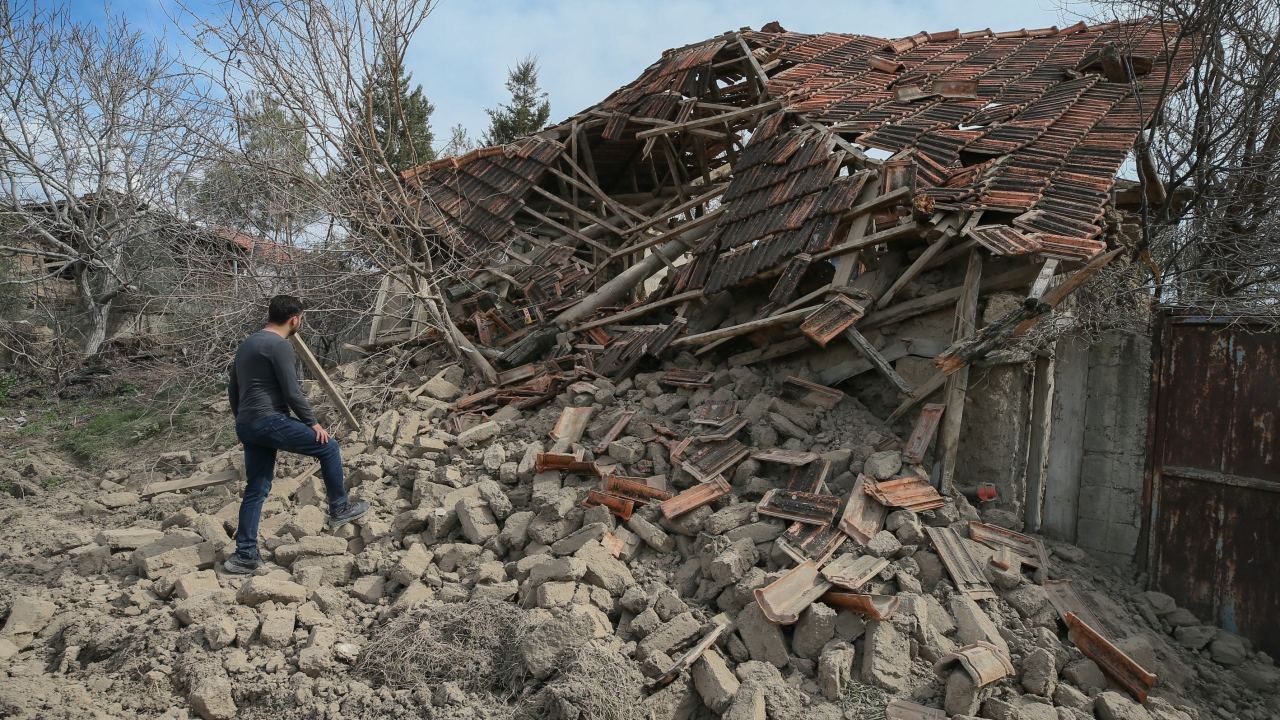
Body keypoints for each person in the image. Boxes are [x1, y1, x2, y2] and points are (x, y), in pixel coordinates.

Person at [224, 295, 369, 573]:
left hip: (248, 424)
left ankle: (244, 555)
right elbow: (292, 392)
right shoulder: (279, 345)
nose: (300, 322)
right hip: (270, 420)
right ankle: (340, 508)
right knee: (328, 447)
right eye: (301, 319)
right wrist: (313, 423)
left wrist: (241, 423)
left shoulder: (247, 343)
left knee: (256, 488)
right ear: (294, 320)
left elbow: (233, 389)